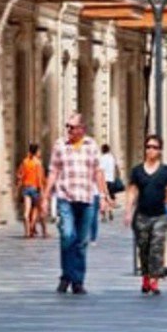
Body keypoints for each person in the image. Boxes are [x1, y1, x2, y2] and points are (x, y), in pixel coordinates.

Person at [42, 112, 112, 295]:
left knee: (81, 242)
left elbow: (98, 172)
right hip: (65, 197)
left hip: (87, 198)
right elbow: (53, 171)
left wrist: (104, 196)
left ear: (82, 129)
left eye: (72, 127)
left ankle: (77, 281)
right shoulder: (60, 145)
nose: (69, 130)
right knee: (67, 236)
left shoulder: (91, 146)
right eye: (68, 127)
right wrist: (45, 196)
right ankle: (66, 275)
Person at [125, 134, 167, 295]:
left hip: (160, 215)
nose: (151, 150)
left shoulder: (166, 171)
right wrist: (128, 211)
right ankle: (146, 276)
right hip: (141, 215)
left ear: (160, 150)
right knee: (143, 247)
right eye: (148, 147)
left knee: (157, 247)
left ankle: (154, 280)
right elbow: (132, 192)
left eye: (154, 147)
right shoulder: (137, 171)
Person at [15, 143, 46, 239]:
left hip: (26, 188)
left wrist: (18, 188)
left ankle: (27, 232)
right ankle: (38, 230)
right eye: (39, 151)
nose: (40, 153)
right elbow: (39, 178)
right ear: (36, 151)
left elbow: (19, 175)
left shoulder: (25, 162)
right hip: (35, 188)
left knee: (26, 211)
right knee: (38, 210)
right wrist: (42, 191)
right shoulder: (38, 163)